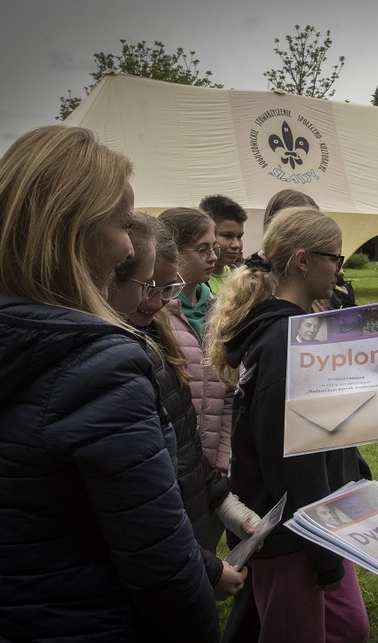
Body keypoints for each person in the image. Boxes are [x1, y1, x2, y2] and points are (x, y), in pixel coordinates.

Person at [0, 125, 220, 643]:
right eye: (124, 225)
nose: (131, 246)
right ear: (72, 233)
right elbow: (161, 567)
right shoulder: (100, 365)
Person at [206, 206, 370, 643]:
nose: (340, 270)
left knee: (348, 632)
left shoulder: (302, 332)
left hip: (322, 519)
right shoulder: (282, 342)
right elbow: (289, 458)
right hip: (295, 533)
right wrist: (322, 553)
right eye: (334, 258)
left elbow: (328, 428)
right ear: (302, 260)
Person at [107, 211, 258, 602]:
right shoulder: (121, 356)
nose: (156, 301)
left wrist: (220, 491)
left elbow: (188, 426)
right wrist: (204, 569)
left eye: (167, 289)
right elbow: (139, 506)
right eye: (149, 287)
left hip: (199, 484)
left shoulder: (154, 338)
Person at [160, 206, 233, 476]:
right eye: (202, 249)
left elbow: (228, 397)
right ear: (173, 252)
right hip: (170, 467)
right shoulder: (156, 316)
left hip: (213, 469)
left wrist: (222, 462)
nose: (214, 257)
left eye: (215, 247)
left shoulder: (221, 314)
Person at [199, 194, 248, 295]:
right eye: (227, 236)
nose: (236, 245)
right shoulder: (195, 283)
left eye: (239, 236)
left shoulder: (241, 278)